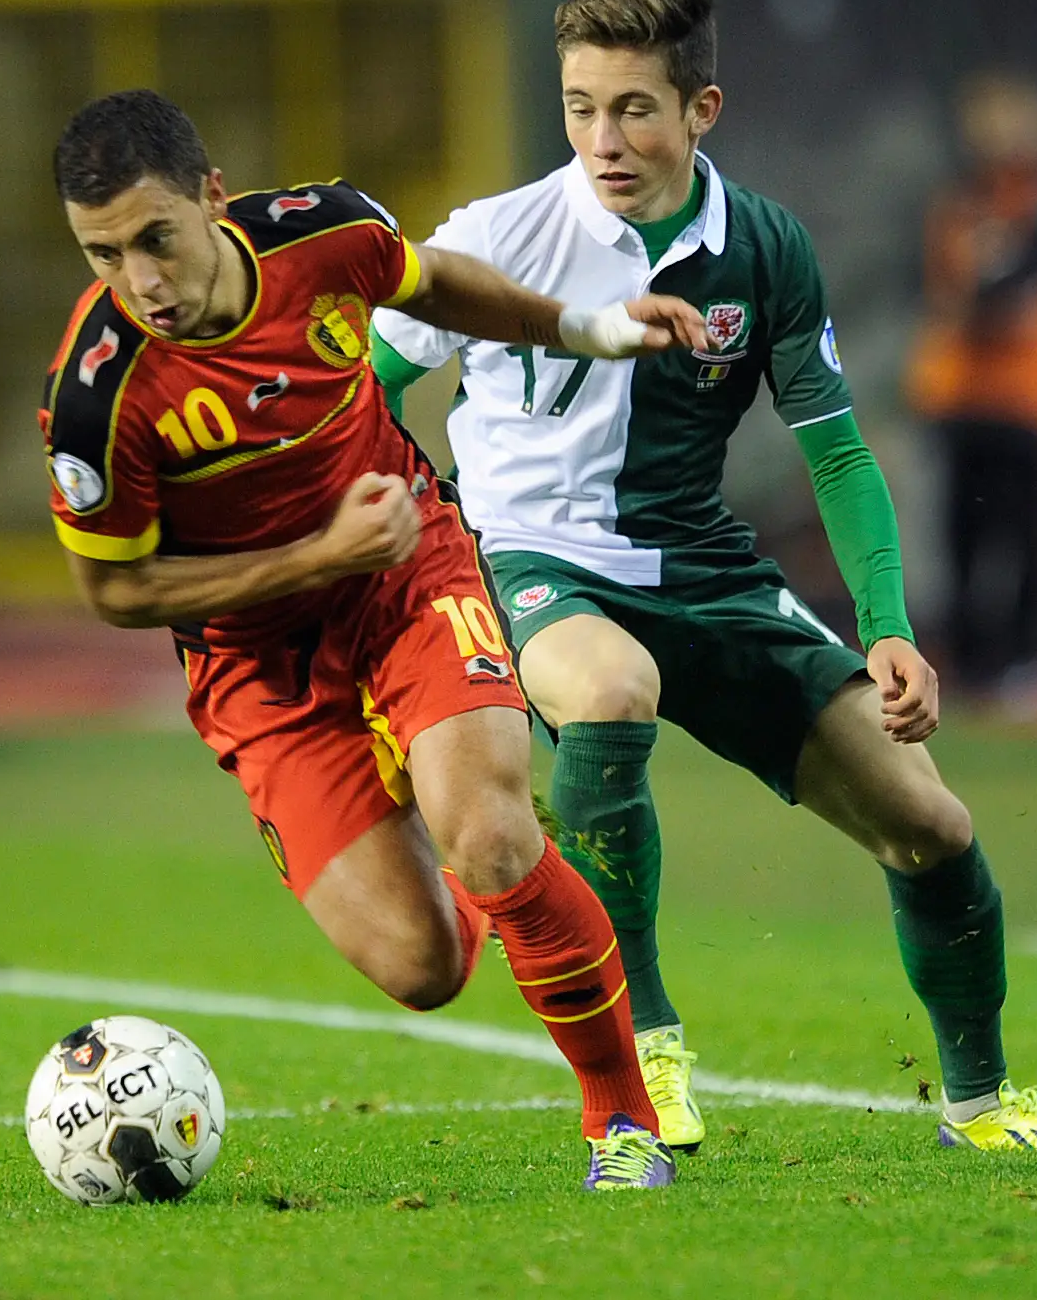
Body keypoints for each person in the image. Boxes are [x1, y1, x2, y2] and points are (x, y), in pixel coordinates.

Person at [369, 0, 1037, 1154]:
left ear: (699, 111)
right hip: (530, 558)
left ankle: (979, 1103)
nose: (602, 139)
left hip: (704, 568)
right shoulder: (495, 239)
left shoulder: (764, 249)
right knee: (613, 693)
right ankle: (649, 1058)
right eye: (579, 106)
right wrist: (399, 541)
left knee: (931, 827)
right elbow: (358, 387)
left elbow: (836, 450)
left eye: (632, 109)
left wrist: (887, 622)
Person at [38, 90, 712, 1189]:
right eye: (103, 255)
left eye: (156, 238)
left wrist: (585, 327)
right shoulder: (97, 397)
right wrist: (312, 559)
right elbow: (115, 592)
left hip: (404, 575)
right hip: (256, 668)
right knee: (424, 968)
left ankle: (622, 1126)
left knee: (491, 838)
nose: (141, 281)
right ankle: (444, 796)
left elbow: (435, 284)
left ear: (215, 199)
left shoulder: (323, 234)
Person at [906, 72, 1037, 710]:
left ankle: (1026, 659)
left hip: (1029, 397)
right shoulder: (957, 204)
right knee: (962, 535)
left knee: (1025, 534)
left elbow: (1019, 281)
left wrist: (991, 282)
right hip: (960, 395)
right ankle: (971, 664)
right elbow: (950, 287)